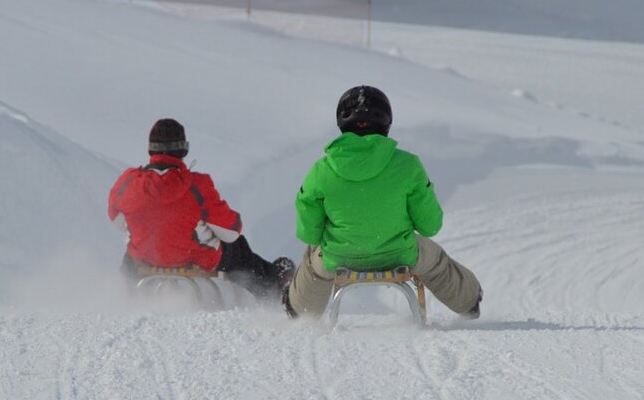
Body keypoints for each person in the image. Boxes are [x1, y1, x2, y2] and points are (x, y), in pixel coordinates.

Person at [285, 85, 483, 319]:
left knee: (313, 258)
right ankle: (469, 301)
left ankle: (299, 313)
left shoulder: (322, 170)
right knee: (434, 258)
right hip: (399, 254)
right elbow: (430, 226)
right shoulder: (408, 165)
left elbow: (309, 233)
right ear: (386, 123)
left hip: (339, 256)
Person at [109, 118, 293, 303]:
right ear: (183, 149)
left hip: (144, 260)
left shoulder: (128, 183)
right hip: (196, 259)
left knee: (130, 252)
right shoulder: (197, 186)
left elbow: (117, 220)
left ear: (150, 149)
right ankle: (273, 287)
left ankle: (126, 298)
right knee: (237, 247)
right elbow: (231, 231)